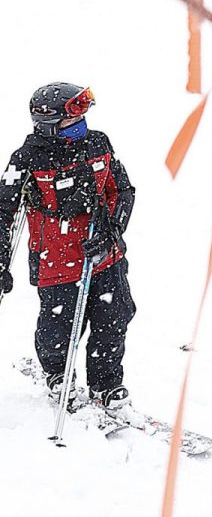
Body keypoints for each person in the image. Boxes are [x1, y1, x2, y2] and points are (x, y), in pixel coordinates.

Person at [0, 82, 137, 415]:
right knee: (58, 325)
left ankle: (105, 383)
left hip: (104, 256)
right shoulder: (27, 159)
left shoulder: (98, 144)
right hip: (56, 262)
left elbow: (123, 190)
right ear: (47, 124)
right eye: (70, 122)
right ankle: (57, 374)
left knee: (114, 317)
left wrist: (111, 233)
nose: (81, 126)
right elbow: (3, 211)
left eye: (82, 119)